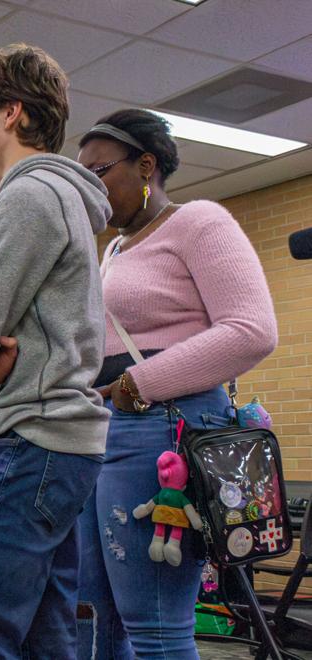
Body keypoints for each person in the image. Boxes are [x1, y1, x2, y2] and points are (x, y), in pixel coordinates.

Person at [75, 109, 277, 659]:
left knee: (156, 624)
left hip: (165, 430)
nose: (89, 188)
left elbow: (252, 331)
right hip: (107, 431)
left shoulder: (201, 222)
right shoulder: (114, 250)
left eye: (99, 172)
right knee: (98, 615)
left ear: (146, 166)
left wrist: (138, 384)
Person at [0, 44, 112, 658]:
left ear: (11, 113)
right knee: (44, 639)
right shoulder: (67, 198)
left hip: (23, 445)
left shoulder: (28, 195)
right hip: (57, 446)